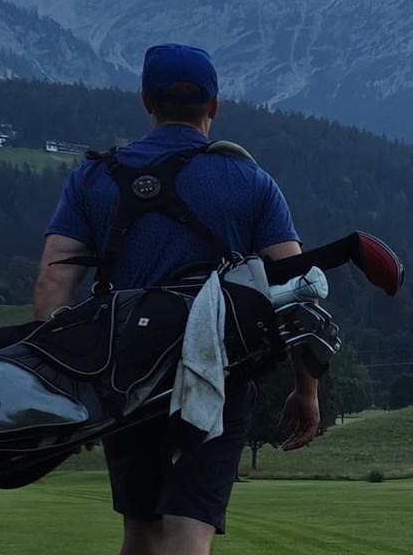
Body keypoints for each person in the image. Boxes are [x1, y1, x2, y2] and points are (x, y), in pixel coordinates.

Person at [31, 43, 321, 555]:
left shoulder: (94, 178)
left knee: (140, 528)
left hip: (124, 378)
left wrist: (73, 390)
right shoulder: (252, 182)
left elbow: (51, 286)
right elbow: (294, 292)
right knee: (189, 527)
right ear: (213, 107)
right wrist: (307, 388)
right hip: (218, 376)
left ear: (147, 101)